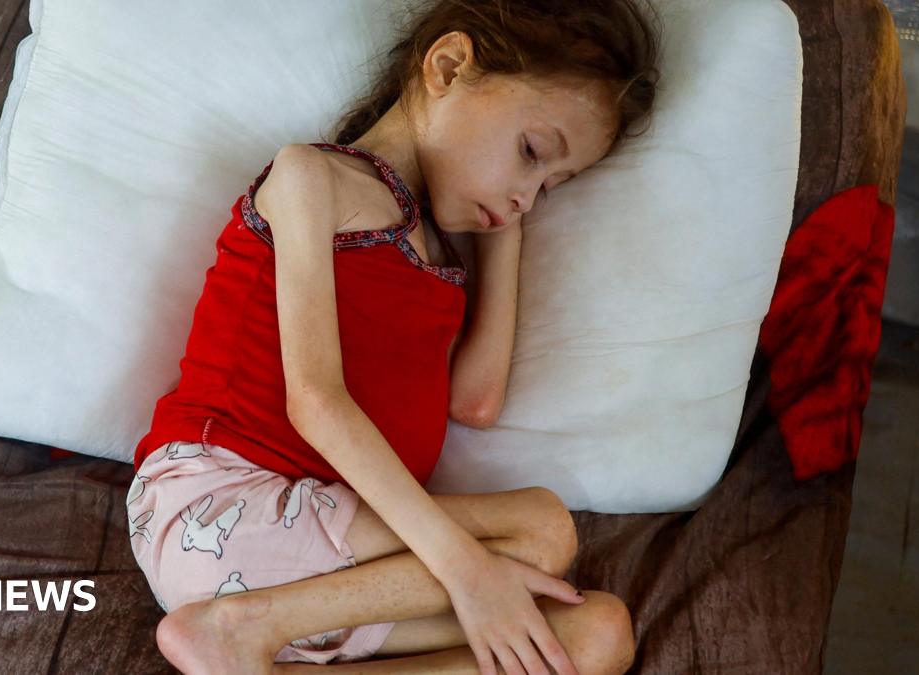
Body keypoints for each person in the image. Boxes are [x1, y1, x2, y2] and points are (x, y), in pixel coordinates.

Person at [127, 0, 659, 672]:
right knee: (542, 527)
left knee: (598, 634)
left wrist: (504, 229)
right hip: (218, 508)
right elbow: (314, 401)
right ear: (447, 66)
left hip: (321, 566)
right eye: (530, 152)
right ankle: (240, 626)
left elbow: (476, 401)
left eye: (550, 186)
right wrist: (464, 566)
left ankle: (243, 644)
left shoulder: (440, 262)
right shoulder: (309, 176)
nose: (528, 194)